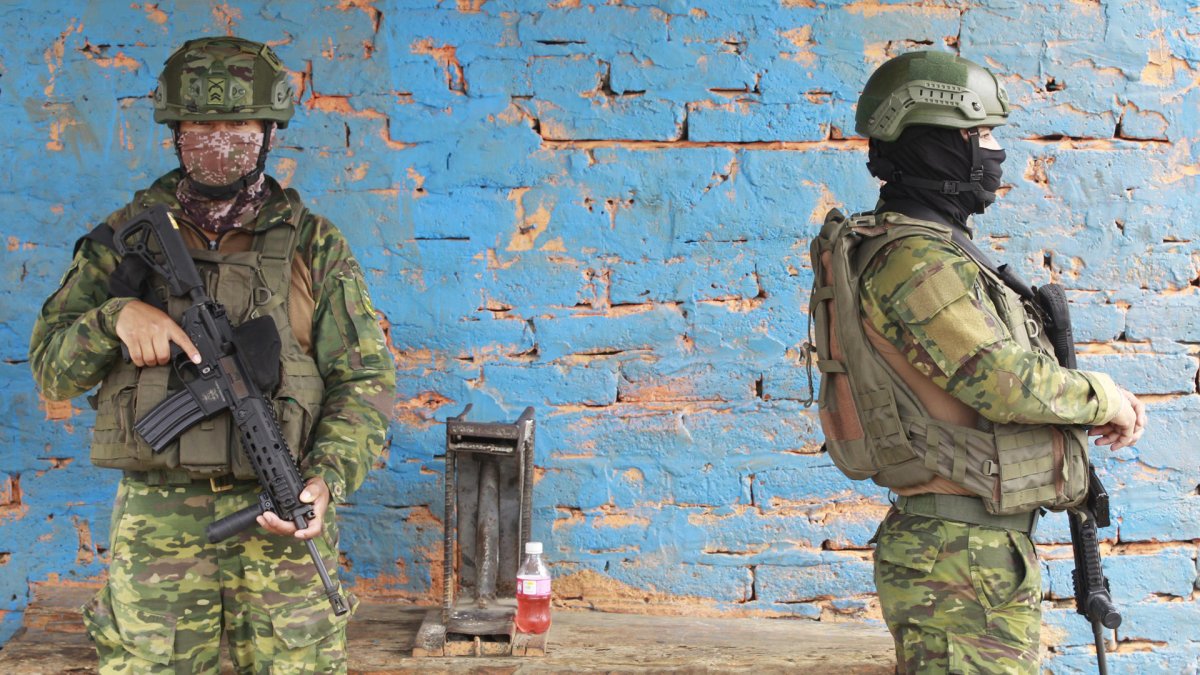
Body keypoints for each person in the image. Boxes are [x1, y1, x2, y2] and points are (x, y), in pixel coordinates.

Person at [29, 36, 395, 673]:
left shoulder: (314, 245)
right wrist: (115, 316)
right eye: (200, 121)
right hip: (157, 526)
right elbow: (52, 370)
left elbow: (364, 381)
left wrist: (325, 480)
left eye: (237, 122)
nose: (218, 136)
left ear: (268, 129)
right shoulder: (123, 238)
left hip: (281, 525)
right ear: (174, 129)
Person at [806, 51, 1147, 673]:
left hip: (973, 554)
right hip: (959, 561)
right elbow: (999, 382)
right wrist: (1105, 397)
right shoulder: (915, 259)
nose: (994, 152)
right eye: (980, 133)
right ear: (934, 143)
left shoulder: (930, 249)